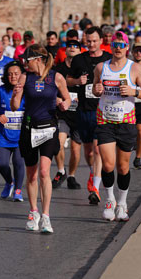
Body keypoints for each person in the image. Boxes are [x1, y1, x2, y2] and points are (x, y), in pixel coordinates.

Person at [92, 31, 141, 222]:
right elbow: (94, 89)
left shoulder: (134, 69)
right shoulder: (101, 67)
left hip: (126, 122)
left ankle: (122, 204)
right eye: (115, 45)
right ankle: (110, 201)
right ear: (111, 47)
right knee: (108, 164)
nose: (118, 48)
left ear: (127, 48)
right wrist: (97, 89)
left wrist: (134, 91)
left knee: (123, 166)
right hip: (105, 121)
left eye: (121, 45)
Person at [11, 45, 71, 234]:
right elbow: (14, 106)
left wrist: (64, 104)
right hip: (29, 129)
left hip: (48, 129)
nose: (23, 63)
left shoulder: (56, 77)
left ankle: (45, 216)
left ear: (37, 59)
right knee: (32, 174)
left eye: (26, 59)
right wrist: (15, 93)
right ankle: (33, 212)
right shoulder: (24, 77)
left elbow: (68, 99)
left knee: (45, 172)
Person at [67, 26, 112, 205]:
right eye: (89, 41)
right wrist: (78, 81)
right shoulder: (79, 59)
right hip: (83, 110)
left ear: (101, 41)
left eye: (95, 41)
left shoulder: (108, 59)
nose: (91, 44)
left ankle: (95, 186)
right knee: (88, 151)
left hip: (101, 110)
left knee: (97, 149)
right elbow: (68, 79)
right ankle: (93, 173)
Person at [0, 61, 26, 201]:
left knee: (18, 163)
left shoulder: (27, 92)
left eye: (16, 74)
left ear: (22, 76)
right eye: (9, 74)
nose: (13, 77)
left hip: (21, 136)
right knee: (1, 163)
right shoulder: (0, 91)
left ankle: (18, 190)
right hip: (3, 135)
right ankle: (9, 182)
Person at [52, 40, 83, 190]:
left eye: (76, 46)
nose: (72, 48)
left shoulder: (84, 68)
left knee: (76, 150)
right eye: (70, 46)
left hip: (78, 114)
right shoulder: (59, 69)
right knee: (58, 142)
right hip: (62, 113)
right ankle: (61, 171)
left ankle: (72, 175)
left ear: (80, 51)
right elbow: (50, 88)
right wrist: (57, 99)